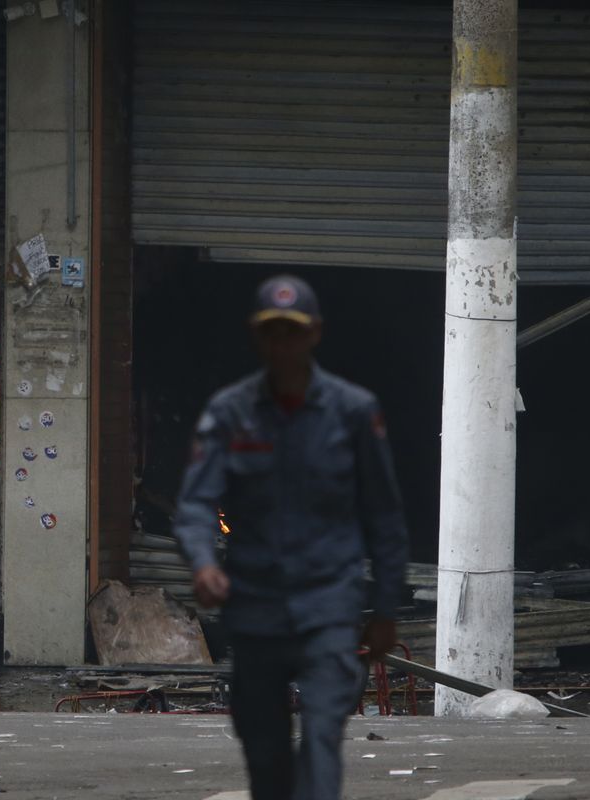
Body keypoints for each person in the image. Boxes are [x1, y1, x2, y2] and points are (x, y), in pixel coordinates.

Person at [172, 274, 410, 800]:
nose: (283, 344)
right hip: (256, 608)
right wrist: (201, 562)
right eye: (272, 332)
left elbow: (384, 517)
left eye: (293, 332)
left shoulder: (353, 411)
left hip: (328, 605)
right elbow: (193, 501)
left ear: (314, 334)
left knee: (323, 734)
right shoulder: (231, 413)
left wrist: (387, 609)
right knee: (265, 750)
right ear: (257, 337)